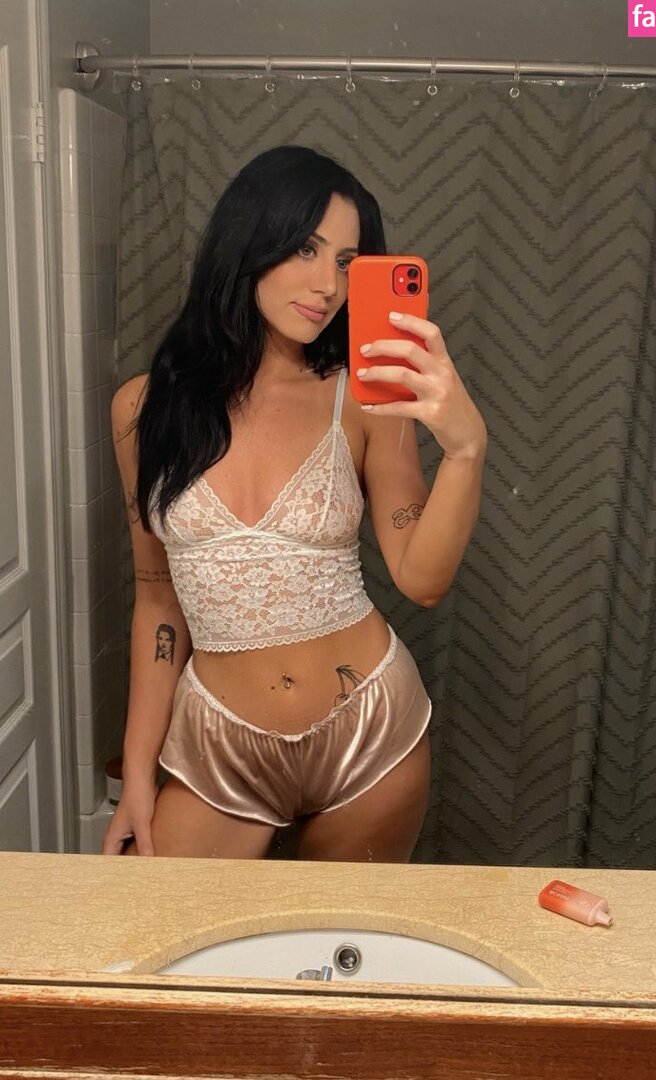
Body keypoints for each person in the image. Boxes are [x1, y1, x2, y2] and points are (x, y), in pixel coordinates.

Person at [103, 145, 487, 861]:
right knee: (161, 928)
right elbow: (157, 601)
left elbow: (422, 579)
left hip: (370, 733)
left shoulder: (363, 398)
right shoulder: (142, 410)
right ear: (249, 241)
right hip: (220, 744)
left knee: (338, 937)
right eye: (305, 249)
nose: (327, 285)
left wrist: (467, 449)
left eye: (347, 262)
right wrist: (137, 775)